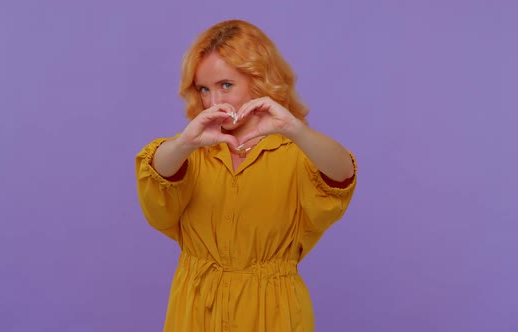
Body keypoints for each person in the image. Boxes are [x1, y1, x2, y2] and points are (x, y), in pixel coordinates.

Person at [135, 19, 357, 332]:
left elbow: (342, 173)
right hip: (197, 309)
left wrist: (293, 129)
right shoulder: (190, 150)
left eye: (226, 85)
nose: (214, 102)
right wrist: (185, 142)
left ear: (259, 80)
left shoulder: (298, 152)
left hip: (272, 311)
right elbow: (155, 187)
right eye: (204, 89)